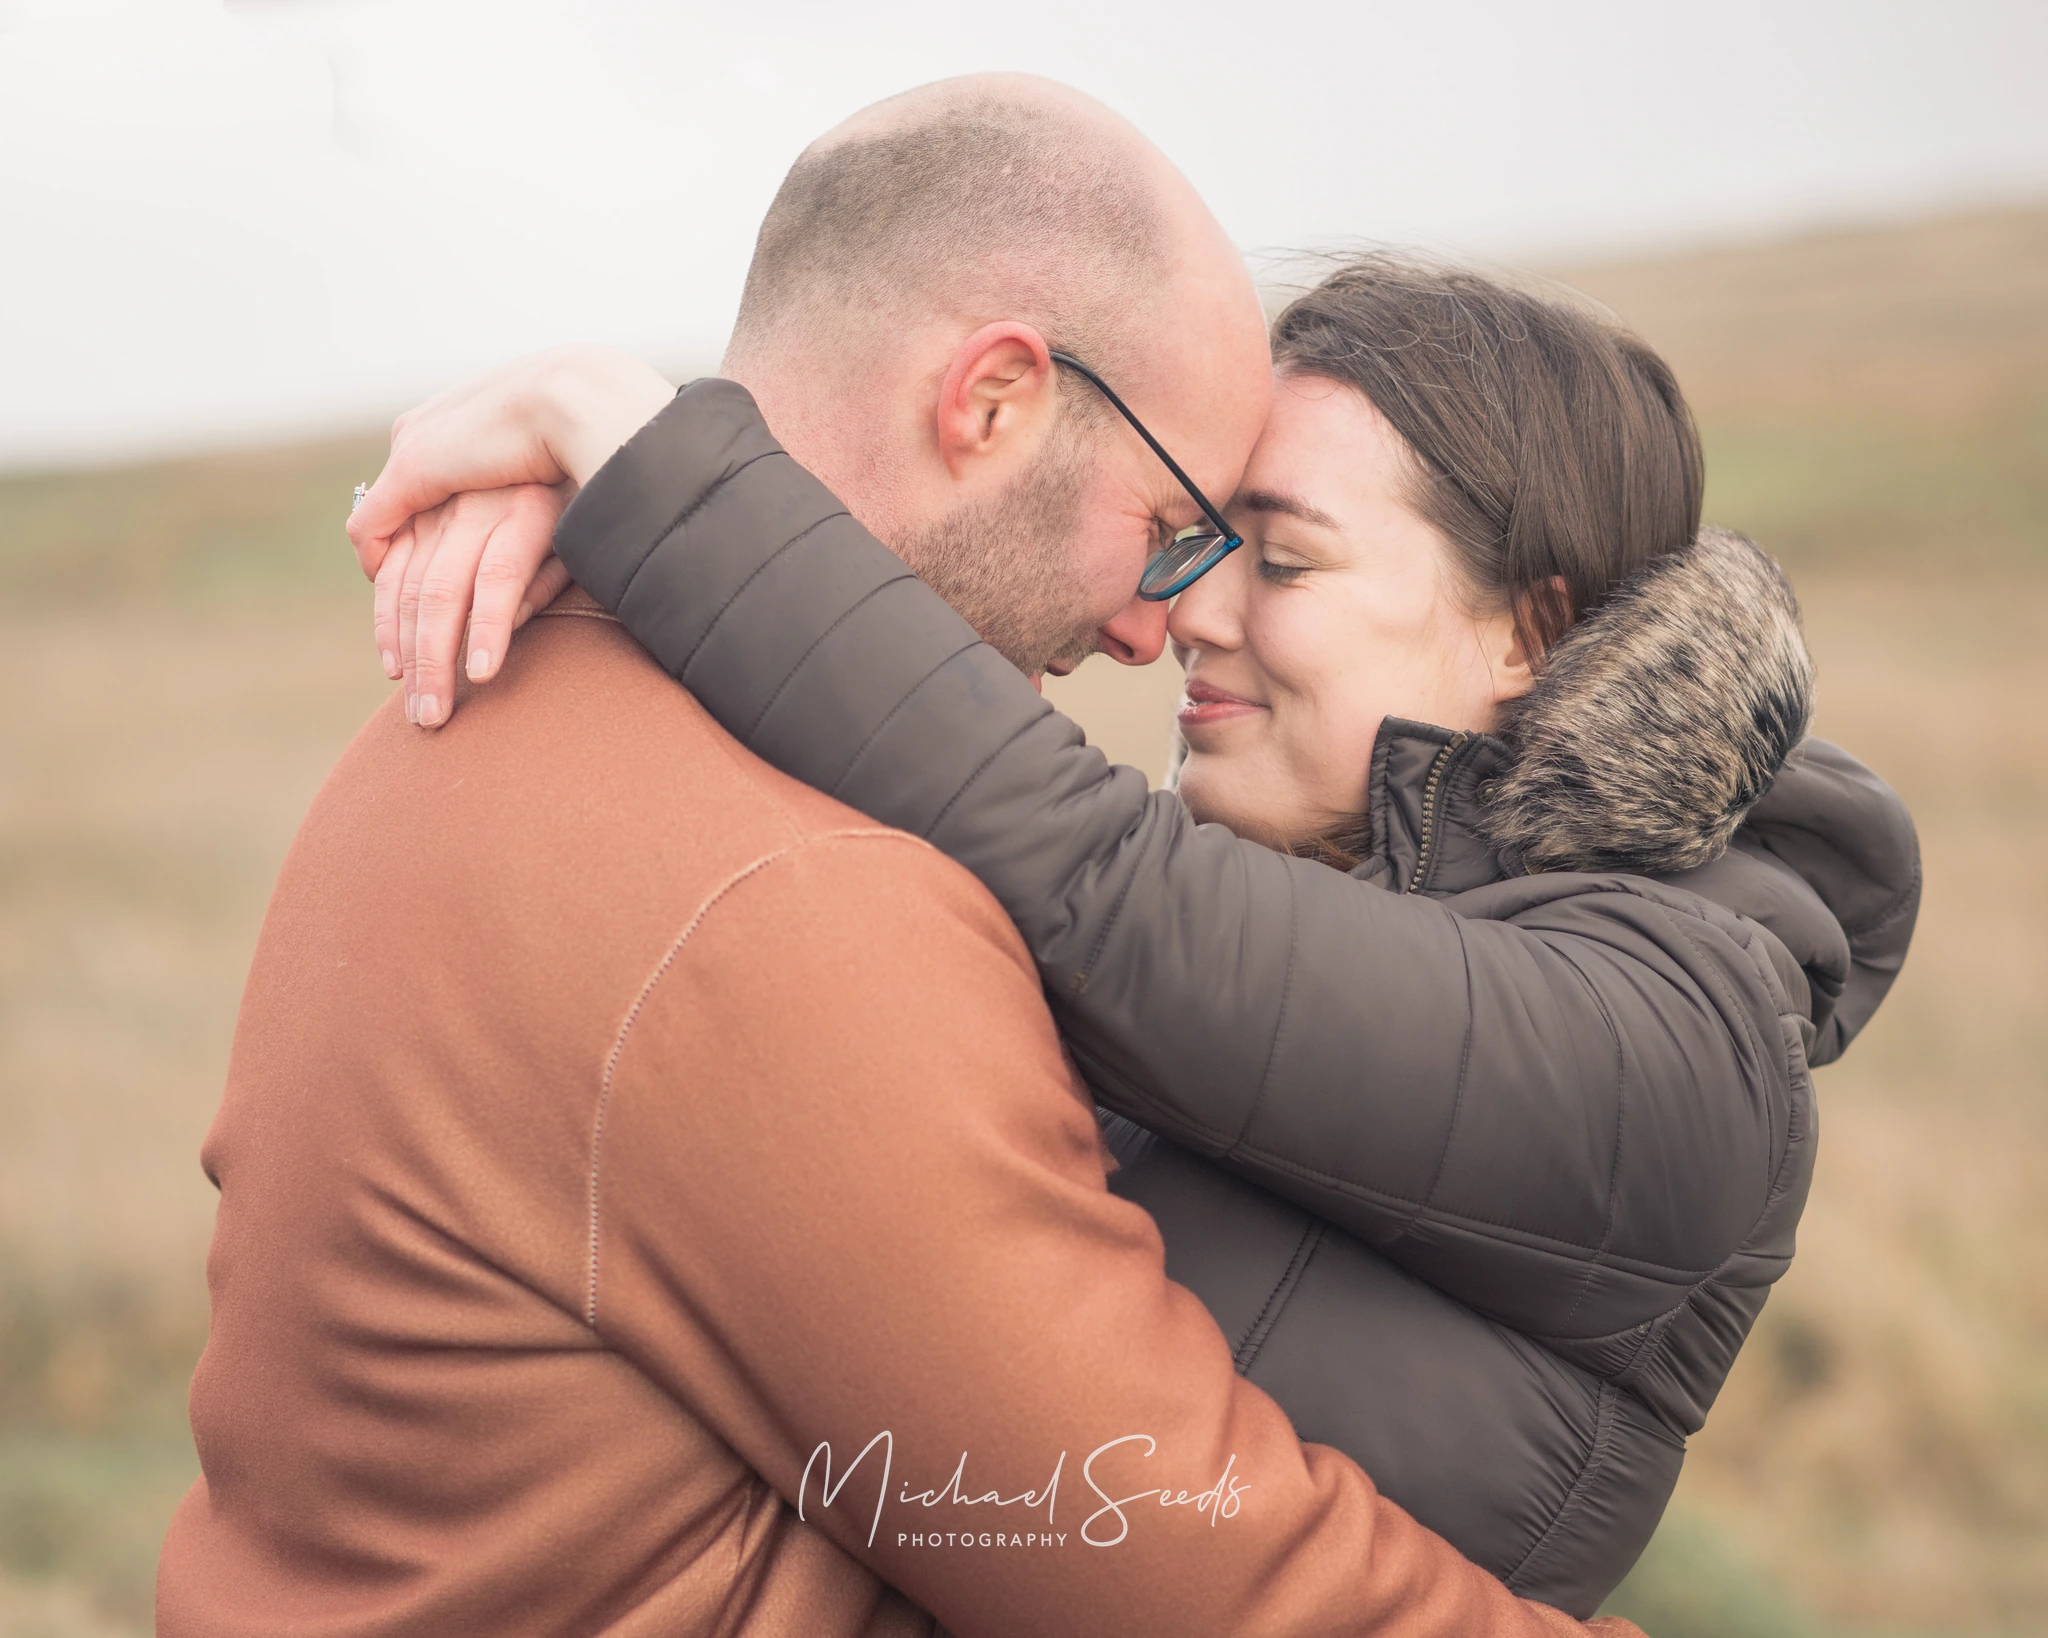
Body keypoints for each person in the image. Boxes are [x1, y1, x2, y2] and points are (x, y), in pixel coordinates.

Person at [160, 76, 1646, 1638]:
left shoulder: (451, 721)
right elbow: (1164, 1557)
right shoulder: (792, 893)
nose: (1157, 625)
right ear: (993, 400)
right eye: (1167, 525)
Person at [357, 246, 1920, 1615]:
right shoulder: (1300, 894)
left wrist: (633, 452)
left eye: (1287, 558)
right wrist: (599, 585)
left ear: (1528, 633)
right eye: (1203, 540)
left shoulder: (1688, 1045)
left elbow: (1098, 887)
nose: (1192, 613)